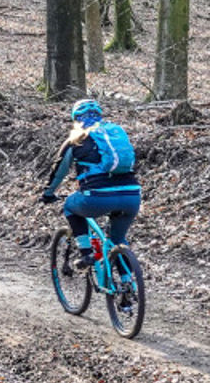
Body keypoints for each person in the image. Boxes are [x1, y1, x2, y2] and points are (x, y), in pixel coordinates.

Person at [39, 100, 142, 262]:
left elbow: (59, 172)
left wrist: (48, 193)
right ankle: (127, 281)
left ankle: (86, 254)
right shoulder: (115, 135)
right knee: (118, 240)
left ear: (76, 119)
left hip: (96, 198)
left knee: (69, 207)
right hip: (132, 196)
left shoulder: (76, 140)